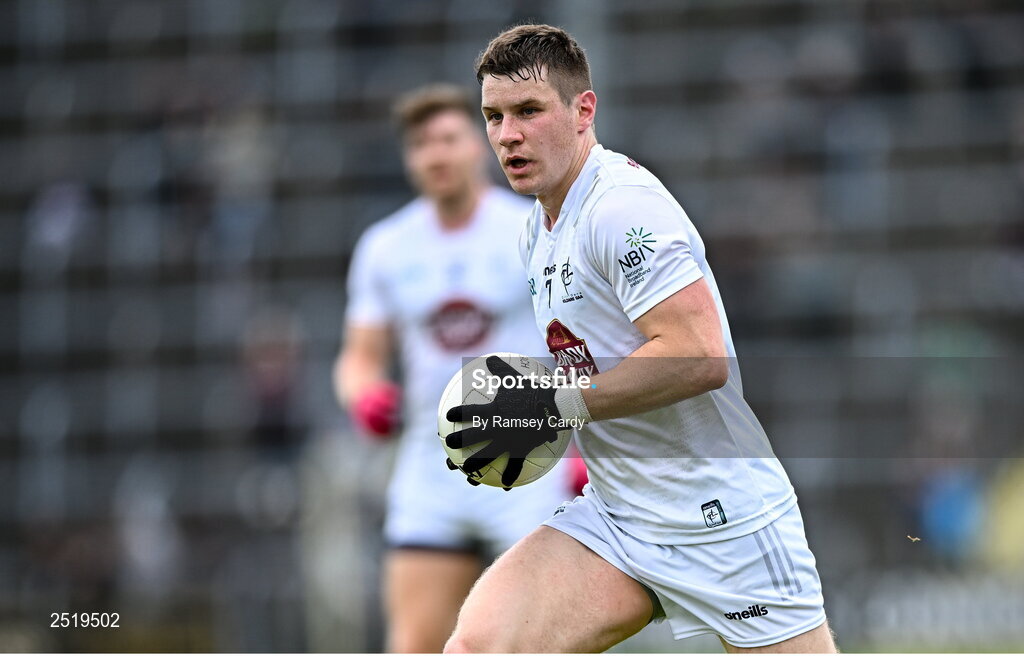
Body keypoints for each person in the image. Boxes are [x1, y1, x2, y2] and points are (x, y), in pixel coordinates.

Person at [441, 25, 837, 653]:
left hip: (721, 522)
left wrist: (552, 404)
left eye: (528, 111)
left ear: (583, 111)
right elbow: (588, 363)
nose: (507, 134)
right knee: (481, 645)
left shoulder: (622, 208)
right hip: (621, 517)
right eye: (493, 116)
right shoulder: (538, 228)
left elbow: (700, 357)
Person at [333, 84, 572, 653]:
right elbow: (358, 358)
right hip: (430, 462)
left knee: (534, 640)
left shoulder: (532, 229)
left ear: (479, 145)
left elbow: (576, 341)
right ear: (409, 159)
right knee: (414, 643)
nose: (436, 155)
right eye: (421, 144)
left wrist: (584, 447)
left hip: (526, 458)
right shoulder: (386, 247)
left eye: (448, 139)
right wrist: (364, 397)